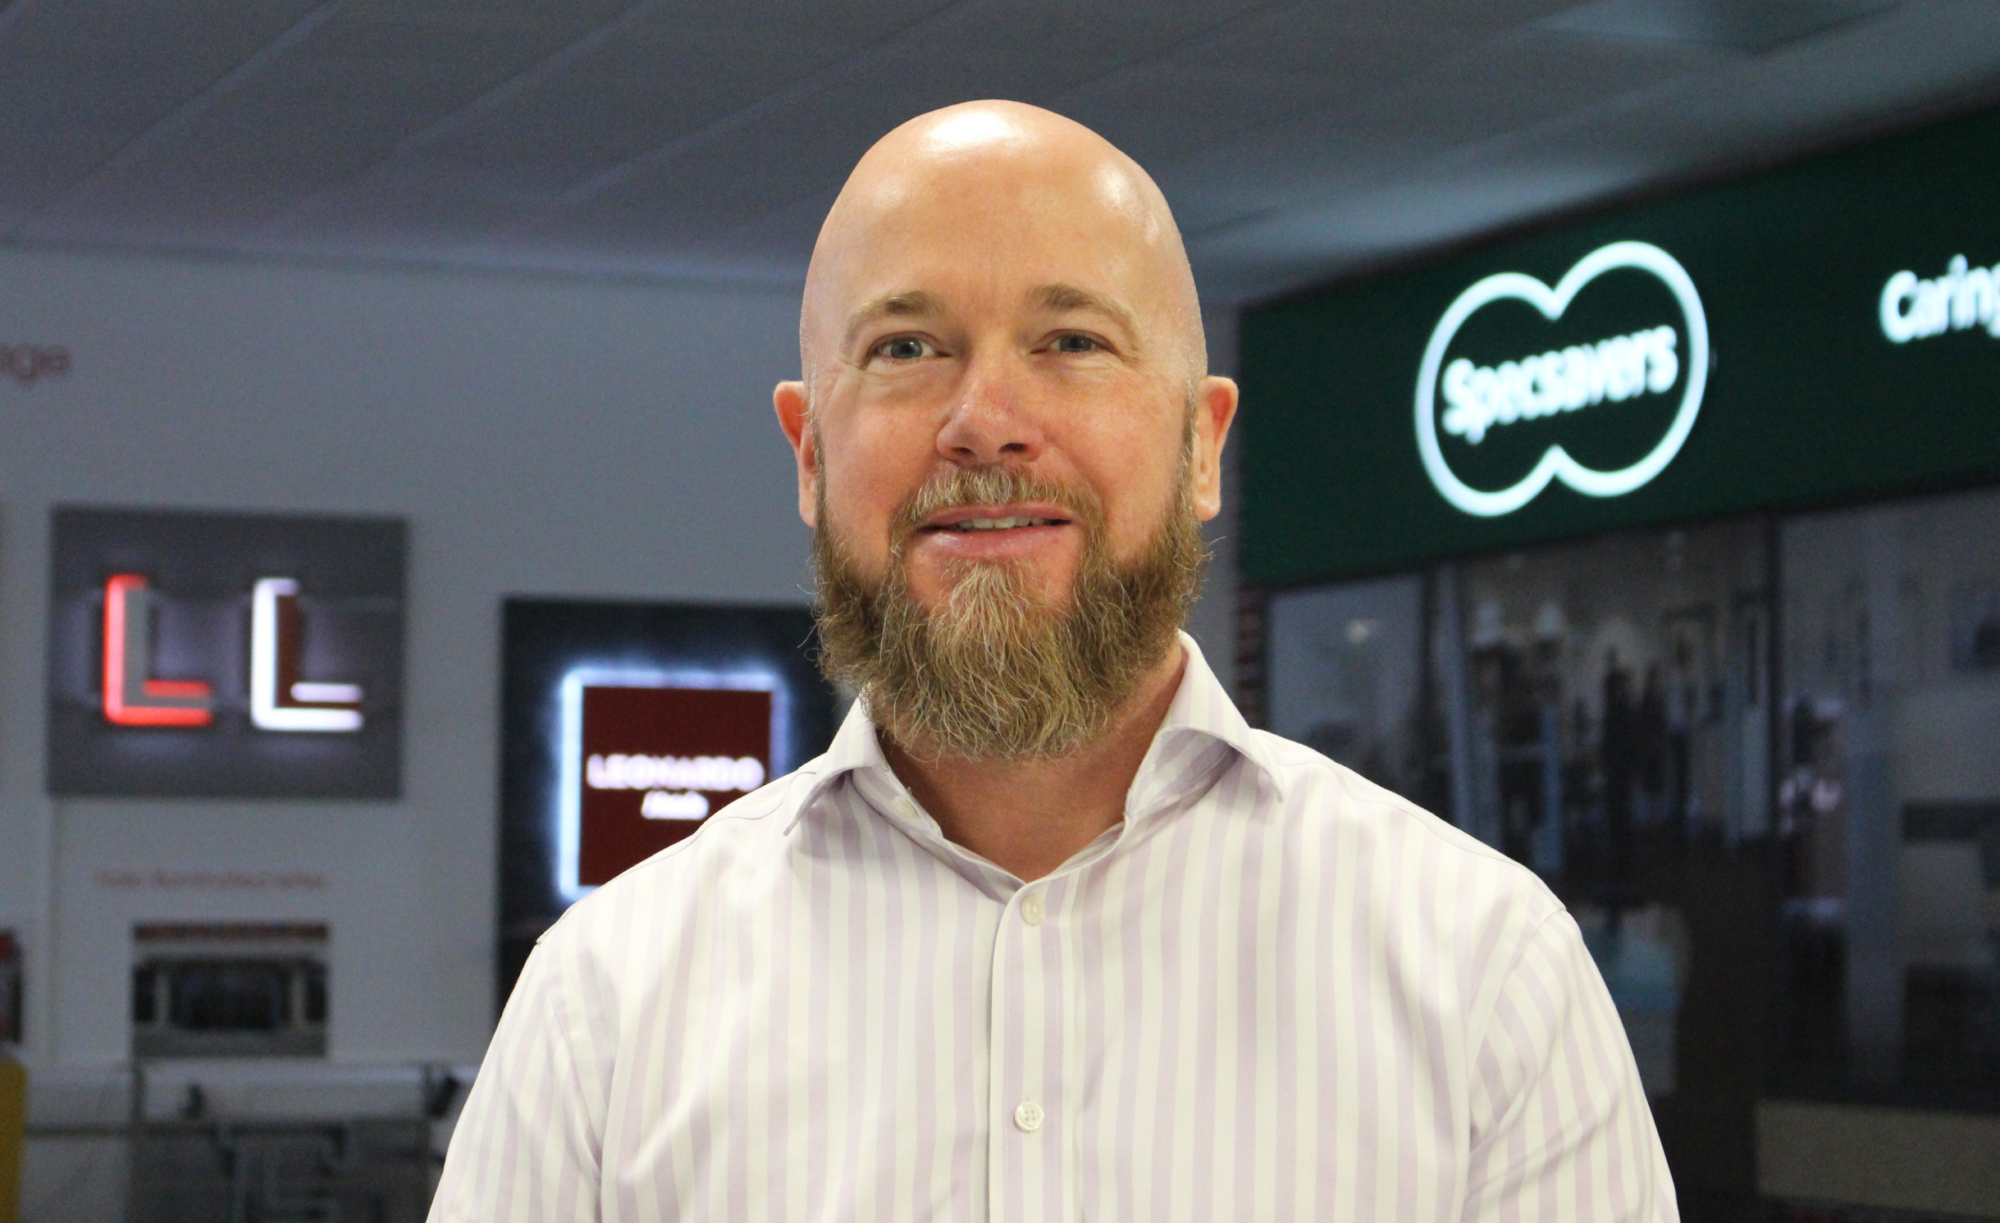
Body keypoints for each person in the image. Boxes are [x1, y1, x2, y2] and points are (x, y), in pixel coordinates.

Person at [430, 100, 1676, 1222]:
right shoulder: (605, 998)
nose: (984, 420)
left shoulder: (1483, 971)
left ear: (1201, 444)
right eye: (907, 347)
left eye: (1071, 340)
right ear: (808, 454)